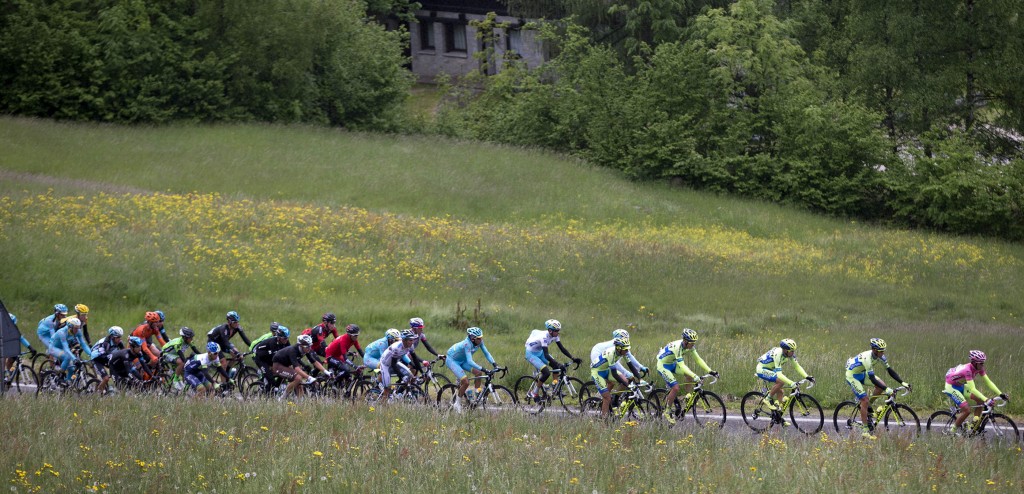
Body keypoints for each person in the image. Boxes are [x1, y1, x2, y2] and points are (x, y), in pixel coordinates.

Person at [844, 338, 910, 437]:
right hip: (852, 376)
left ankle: (868, 408)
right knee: (865, 400)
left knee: (881, 385)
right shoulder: (867, 358)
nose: (883, 353)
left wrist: (903, 382)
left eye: (884, 350)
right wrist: (886, 389)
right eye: (881, 351)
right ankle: (865, 430)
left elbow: (889, 370)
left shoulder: (881, 357)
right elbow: (872, 378)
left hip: (862, 373)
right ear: (874, 350)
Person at [655, 328, 718, 424]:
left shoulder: (689, 346)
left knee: (689, 376)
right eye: (692, 343)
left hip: (672, 363)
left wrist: (710, 371)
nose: (693, 345)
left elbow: (698, 359)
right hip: (663, 366)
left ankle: (688, 394)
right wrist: (695, 376)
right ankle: (667, 410)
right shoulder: (677, 347)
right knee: (675, 388)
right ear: (685, 341)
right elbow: (682, 365)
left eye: (694, 343)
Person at [944, 350, 1009, 434]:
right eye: (981, 363)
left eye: (983, 363)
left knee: (980, 401)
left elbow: (988, 382)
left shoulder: (979, 367)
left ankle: (973, 425)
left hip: (959, 384)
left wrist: (1000, 394)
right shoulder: (967, 370)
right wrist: (986, 399)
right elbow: (972, 389)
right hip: (951, 387)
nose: (983, 365)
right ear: (974, 363)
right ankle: (952, 431)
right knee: (967, 410)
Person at [756, 339, 813, 423]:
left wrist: (807, 376)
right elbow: (779, 374)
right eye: (791, 351)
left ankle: (778, 417)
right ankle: (768, 399)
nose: (793, 353)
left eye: (794, 351)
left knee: (781, 391)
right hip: (762, 369)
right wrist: (791, 383)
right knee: (781, 381)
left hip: (771, 369)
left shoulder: (788, 355)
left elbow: (797, 366)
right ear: (785, 350)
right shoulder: (778, 354)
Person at [590, 332, 646, 419]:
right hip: (597, 372)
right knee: (607, 397)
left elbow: (631, 366)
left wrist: (639, 378)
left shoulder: (622, 352)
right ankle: (603, 420)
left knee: (627, 379)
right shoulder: (611, 353)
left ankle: (615, 400)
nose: (627, 351)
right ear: (619, 349)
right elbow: (615, 374)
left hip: (606, 369)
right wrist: (628, 385)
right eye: (626, 350)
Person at [524, 319, 582, 400]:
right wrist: (558, 363)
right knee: (546, 372)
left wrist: (573, 358)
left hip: (540, 352)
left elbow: (562, 349)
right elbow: (546, 355)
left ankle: (555, 387)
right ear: (550, 331)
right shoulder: (543, 337)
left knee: (556, 367)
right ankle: (534, 392)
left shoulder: (555, 335)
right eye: (557, 331)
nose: (558, 332)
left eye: (559, 330)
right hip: (531, 354)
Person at [446, 327, 499, 408]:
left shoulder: (479, 342)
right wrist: (484, 369)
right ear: (473, 339)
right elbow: (470, 361)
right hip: (452, 361)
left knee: (478, 373)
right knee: (466, 382)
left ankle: (477, 393)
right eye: (479, 338)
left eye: (481, 337)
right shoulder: (467, 344)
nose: (481, 340)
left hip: (463, 360)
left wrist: (495, 364)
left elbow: (486, 353)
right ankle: (457, 404)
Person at [590, 329, 648, 396]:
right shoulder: (613, 347)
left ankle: (612, 398)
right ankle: (602, 398)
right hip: (597, 354)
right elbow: (615, 364)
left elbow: (630, 356)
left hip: (607, 356)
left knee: (621, 379)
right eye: (624, 338)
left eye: (627, 339)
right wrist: (627, 373)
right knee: (612, 380)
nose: (626, 340)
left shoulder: (623, 346)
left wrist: (641, 367)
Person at [271, 334, 329, 399]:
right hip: (278, 366)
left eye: (310, 346)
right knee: (298, 378)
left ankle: (299, 401)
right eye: (307, 347)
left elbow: (314, 362)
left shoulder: (306, 349)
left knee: (299, 382)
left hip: (286, 365)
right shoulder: (293, 350)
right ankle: (282, 398)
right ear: (301, 346)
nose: (309, 348)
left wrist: (326, 372)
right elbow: (297, 368)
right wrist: (309, 377)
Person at [47, 317, 94, 381]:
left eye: (78, 327)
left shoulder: (77, 331)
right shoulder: (62, 332)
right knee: (67, 357)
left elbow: (83, 344)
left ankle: (66, 383)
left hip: (63, 348)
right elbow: (66, 349)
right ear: (70, 327)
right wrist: (74, 359)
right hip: (53, 348)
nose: (77, 330)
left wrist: (92, 355)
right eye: (76, 328)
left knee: (72, 369)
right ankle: (59, 374)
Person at [378, 330, 418, 402]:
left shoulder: (410, 346)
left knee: (410, 376)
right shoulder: (396, 347)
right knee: (387, 389)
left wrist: (420, 370)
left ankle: (398, 393)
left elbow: (415, 358)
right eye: (410, 340)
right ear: (404, 340)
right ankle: (381, 407)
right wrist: (402, 376)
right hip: (385, 365)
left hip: (396, 362)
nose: (412, 342)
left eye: (413, 340)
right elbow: (393, 365)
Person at [207, 311, 251, 376]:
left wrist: (253, 347)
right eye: (235, 322)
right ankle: (224, 384)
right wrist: (237, 353)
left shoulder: (237, 327)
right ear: (229, 322)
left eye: (237, 322)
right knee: (223, 362)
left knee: (236, 355)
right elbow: (226, 343)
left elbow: (245, 339)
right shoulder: (224, 329)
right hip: (213, 343)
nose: (237, 324)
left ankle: (226, 372)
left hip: (222, 343)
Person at [251, 323, 291, 393]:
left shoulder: (286, 341)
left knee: (282, 373)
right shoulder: (273, 342)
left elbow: (291, 353)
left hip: (269, 357)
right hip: (260, 358)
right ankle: (268, 395)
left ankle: (275, 388)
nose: (286, 340)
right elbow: (275, 358)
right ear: (279, 337)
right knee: (271, 378)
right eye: (285, 338)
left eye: (288, 338)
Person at [4, 313, 39, 380]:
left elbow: (20, 338)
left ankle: (8, 376)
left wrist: (30, 348)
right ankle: (3, 375)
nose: (12, 327)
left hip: (9, 345)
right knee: (3, 358)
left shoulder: (14, 328)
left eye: (13, 324)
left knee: (11, 360)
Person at [90, 326, 124, 393]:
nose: (119, 339)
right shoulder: (106, 343)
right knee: (106, 378)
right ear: (113, 337)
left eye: (120, 337)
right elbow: (110, 355)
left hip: (104, 357)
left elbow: (124, 352)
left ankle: (114, 386)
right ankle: (97, 392)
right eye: (118, 337)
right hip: (97, 359)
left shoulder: (118, 341)